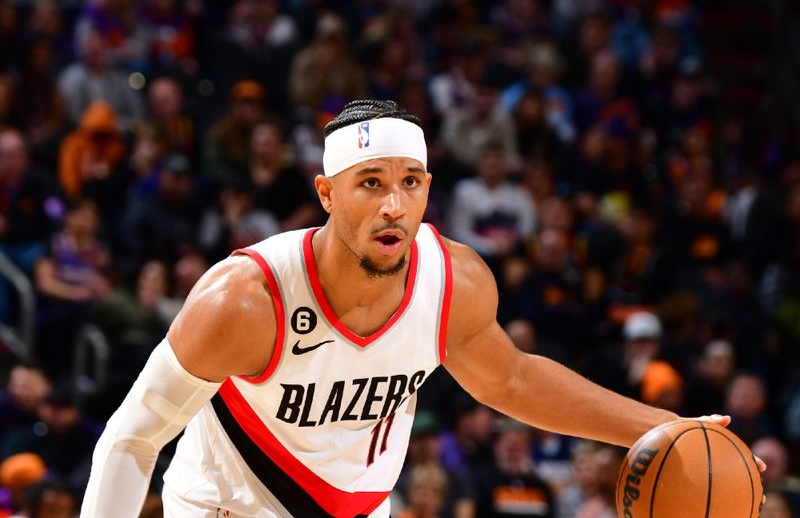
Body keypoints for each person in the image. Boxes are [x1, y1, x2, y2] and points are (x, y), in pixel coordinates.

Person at [80, 100, 755, 517]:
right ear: (326, 193)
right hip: (228, 508)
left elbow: (513, 380)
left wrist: (665, 425)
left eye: (409, 183)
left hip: (362, 507)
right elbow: (133, 436)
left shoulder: (453, 280)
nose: (392, 205)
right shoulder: (247, 300)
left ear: (429, 189)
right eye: (369, 184)